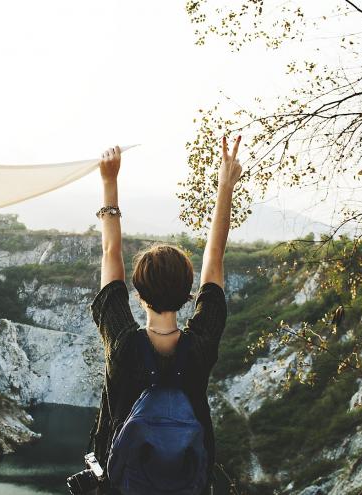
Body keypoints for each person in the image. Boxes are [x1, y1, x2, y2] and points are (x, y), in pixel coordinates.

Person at [87, 138, 242, 494]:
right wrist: (225, 185)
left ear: (138, 295)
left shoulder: (123, 345)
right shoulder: (200, 347)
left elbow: (111, 252)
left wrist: (109, 182)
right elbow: (215, 256)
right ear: (189, 293)